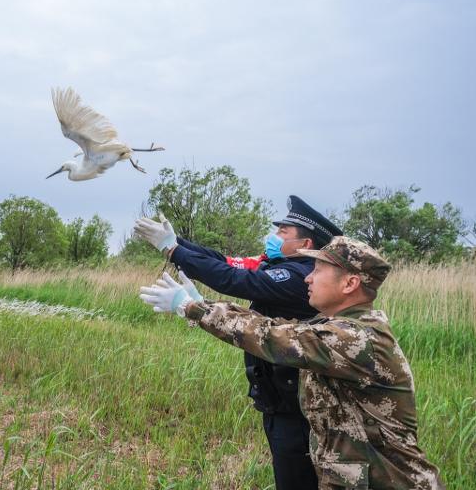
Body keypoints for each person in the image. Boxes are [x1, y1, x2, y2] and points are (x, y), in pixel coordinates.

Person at [139, 237, 444, 489]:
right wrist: (203, 305)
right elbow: (277, 326)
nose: (308, 277)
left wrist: (193, 308)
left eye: (318, 270)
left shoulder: (355, 338)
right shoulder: (335, 326)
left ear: (350, 283)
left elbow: (272, 338)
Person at [135, 196, 342, 490]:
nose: (274, 235)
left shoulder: (298, 276)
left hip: (297, 405)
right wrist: (177, 243)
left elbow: (234, 280)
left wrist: (173, 251)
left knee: (297, 479)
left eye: (284, 232)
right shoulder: (277, 265)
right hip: (279, 397)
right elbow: (225, 263)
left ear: (306, 245)